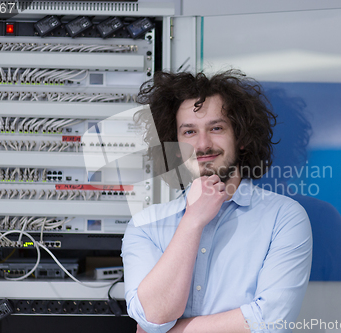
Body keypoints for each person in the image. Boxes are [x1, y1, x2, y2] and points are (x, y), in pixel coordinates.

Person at [121, 70, 312, 333]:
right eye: (189, 132)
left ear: (242, 138)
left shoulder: (284, 217)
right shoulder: (145, 226)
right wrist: (193, 221)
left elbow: (270, 321)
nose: (202, 144)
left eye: (216, 128)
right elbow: (152, 316)